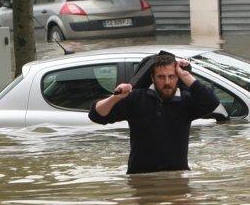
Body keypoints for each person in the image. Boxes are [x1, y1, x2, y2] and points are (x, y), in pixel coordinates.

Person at [89, 52, 220, 174]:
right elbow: (96, 115)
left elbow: (212, 102)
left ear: (177, 77)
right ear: (152, 77)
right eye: (161, 77)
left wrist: (186, 75)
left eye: (171, 76)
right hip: (140, 179)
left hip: (177, 179)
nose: (167, 82)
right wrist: (115, 98)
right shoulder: (136, 98)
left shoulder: (185, 101)